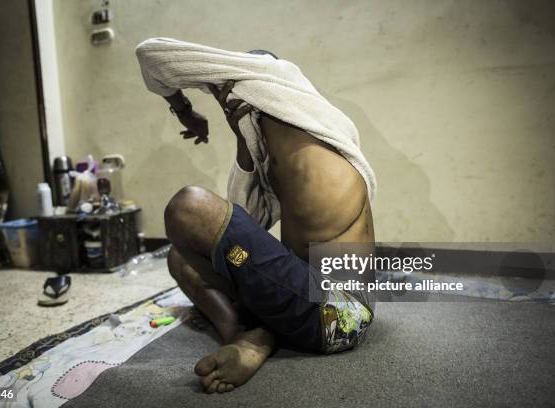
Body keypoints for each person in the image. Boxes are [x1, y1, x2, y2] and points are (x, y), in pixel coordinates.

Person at [136, 38, 377, 394]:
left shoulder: (289, 106)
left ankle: (256, 340)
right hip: (308, 296)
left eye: (227, 98)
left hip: (339, 316)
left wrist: (185, 110)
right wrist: (242, 139)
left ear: (257, 87)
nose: (222, 103)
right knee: (180, 258)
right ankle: (245, 338)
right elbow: (246, 222)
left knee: (188, 206)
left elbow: (151, 55)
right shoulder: (285, 144)